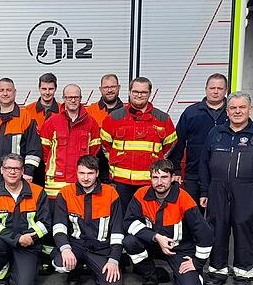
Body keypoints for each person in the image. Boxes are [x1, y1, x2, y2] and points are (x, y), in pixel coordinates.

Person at [200, 91, 253, 285]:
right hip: (217, 188)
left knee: (244, 229)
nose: (237, 111)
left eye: (242, 107)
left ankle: (244, 273)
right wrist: (204, 192)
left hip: (247, 189)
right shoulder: (215, 133)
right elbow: (204, 164)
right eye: (233, 108)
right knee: (217, 228)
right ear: (227, 110)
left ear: (249, 109)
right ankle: (217, 270)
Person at [123, 160, 213, 285]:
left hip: (179, 248)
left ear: (172, 178)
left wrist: (197, 263)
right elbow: (128, 223)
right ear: (150, 178)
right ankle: (152, 276)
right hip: (153, 244)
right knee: (130, 241)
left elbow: (204, 233)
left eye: (164, 177)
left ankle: (188, 276)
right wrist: (156, 237)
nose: (159, 182)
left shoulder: (184, 198)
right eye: (155, 177)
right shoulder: (141, 194)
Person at [51, 155, 123, 285]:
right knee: (59, 264)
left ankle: (96, 271)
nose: (85, 178)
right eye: (82, 173)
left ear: (97, 173)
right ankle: (74, 272)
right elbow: (59, 226)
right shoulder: (66, 193)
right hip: (76, 246)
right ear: (76, 173)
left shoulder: (111, 193)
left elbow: (117, 231)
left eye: (90, 173)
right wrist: (65, 249)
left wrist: (114, 260)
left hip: (101, 248)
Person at [100, 77, 177, 208]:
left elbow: (170, 144)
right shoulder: (114, 118)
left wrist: (158, 161)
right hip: (121, 181)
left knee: (147, 217)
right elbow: (105, 145)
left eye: (143, 92)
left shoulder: (163, 119)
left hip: (150, 181)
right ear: (129, 92)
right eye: (135, 91)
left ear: (149, 94)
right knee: (121, 218)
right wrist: (115, 160)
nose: (139, 95)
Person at [0, 153, 51, 285]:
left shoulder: (38, 192)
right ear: (2, 170)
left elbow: (45, 223)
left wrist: (29, 238)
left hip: (29, 244)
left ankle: (21, 266)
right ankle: (2, 276)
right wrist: (17, 238)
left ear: (23, 171)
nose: (12, 172)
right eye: (8, 168)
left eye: (17, 169)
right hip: (4, 243)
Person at [167, 73, 229, 206]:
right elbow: (178, 142)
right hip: (194, 175)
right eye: (212, 88)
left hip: (223, 176)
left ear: (226, 90)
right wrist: (175, 169)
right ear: (206, 89)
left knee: (219, 217)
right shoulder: (191, 112)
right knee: (192, 216)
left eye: (220, 88)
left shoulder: (233, 113)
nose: (216, 91)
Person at [0, 78, 42, 190]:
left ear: (15, 92)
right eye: (2, 90)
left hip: (17, 179)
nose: (5, 93)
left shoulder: (25, 117)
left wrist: (28, 172)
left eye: (8, 90)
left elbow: (34, 149)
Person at [40, 84, 101, 198]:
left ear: (81, 99)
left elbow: (94, 152)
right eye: (69, 97)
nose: (73, 100)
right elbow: (44, 150)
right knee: (56, 215)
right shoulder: (52, 122)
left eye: (76, 97)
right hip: (55, 184)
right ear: (64, 99)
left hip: (81, 182)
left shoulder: (91, 123)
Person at [86, 74, 124, 184]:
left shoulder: (127, 112)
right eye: (106, 87)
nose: (109, 90)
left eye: (113, 87)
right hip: (96, 171)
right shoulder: (90, 112)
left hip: (121, 171)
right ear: (100, 89)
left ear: (119, 88)